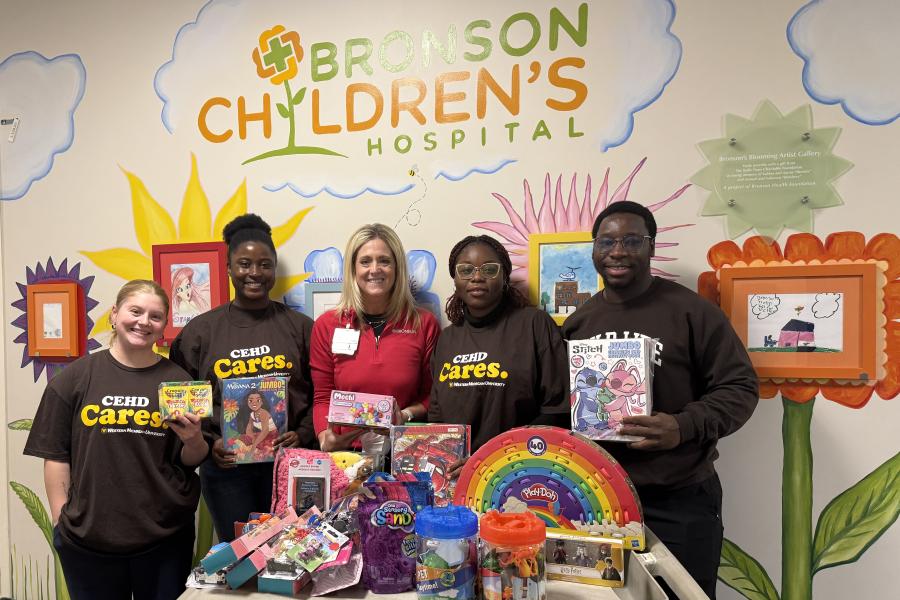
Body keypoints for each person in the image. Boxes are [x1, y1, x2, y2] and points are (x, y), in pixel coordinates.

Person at [561, 200, 759, 598]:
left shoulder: (692, 312)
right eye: (607, 241)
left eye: (632, 240)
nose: (618, 251)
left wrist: (683, 426)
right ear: (594, 250)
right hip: (599, 502)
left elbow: (740, 388)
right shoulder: (579, 322)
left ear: (651, 247)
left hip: (678, 498)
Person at [24, 280, 209, 600]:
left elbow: (189, 460)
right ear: (114, 314)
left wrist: (194, 439)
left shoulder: (178, 382)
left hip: (164, 537)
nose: (143, 322)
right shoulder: (74, 378)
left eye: (155, 316)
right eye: (135, 311)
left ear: (164, 325)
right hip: (88, 541)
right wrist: (60, 522)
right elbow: (55, 455)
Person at [169, 213, 315, 541]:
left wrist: (303, 434)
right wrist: (209, 444)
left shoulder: (300, 327)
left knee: (297, 551)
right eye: (244, 264)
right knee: (241, 555)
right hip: (228, 471)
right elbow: (184, 405)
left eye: (264, 264)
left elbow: (321, 393)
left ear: (274, 268)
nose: (254, 273)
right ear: (229, 268)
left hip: (290, 465)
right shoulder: (200, 333)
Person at [428, 235, 569, 454]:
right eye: (466, 270)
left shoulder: (534, 324)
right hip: (456, 473)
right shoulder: (447, 339)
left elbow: (556, 410)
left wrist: (495, 456)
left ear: (504, 276)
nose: (477, 277)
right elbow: (437, 416)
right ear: (455, 279)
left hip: (517, 470)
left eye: (489, 269)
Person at [311, 223, 440, 451]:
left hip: (405, 450)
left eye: (384, 261)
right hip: (347, 454)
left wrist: (406, 415)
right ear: (352, 269)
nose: (375, 269)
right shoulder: (327, 325)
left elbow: (433, 396)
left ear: (397, 267)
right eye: (365, 261)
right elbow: (322, 396)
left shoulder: (423, 323)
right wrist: (324, 437)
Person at [235, 389, 278, 457]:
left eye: (258, 400)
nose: (254, 403)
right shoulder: (252, 414)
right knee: (243, 438)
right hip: (260, 434)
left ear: (262, 402)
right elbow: (249, 429)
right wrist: (252, 438)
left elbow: (265, 431)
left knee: (259, 446)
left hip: (270, 435)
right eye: (250, 400)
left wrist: (254, 444)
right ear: (247, 402)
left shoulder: (264, 413)